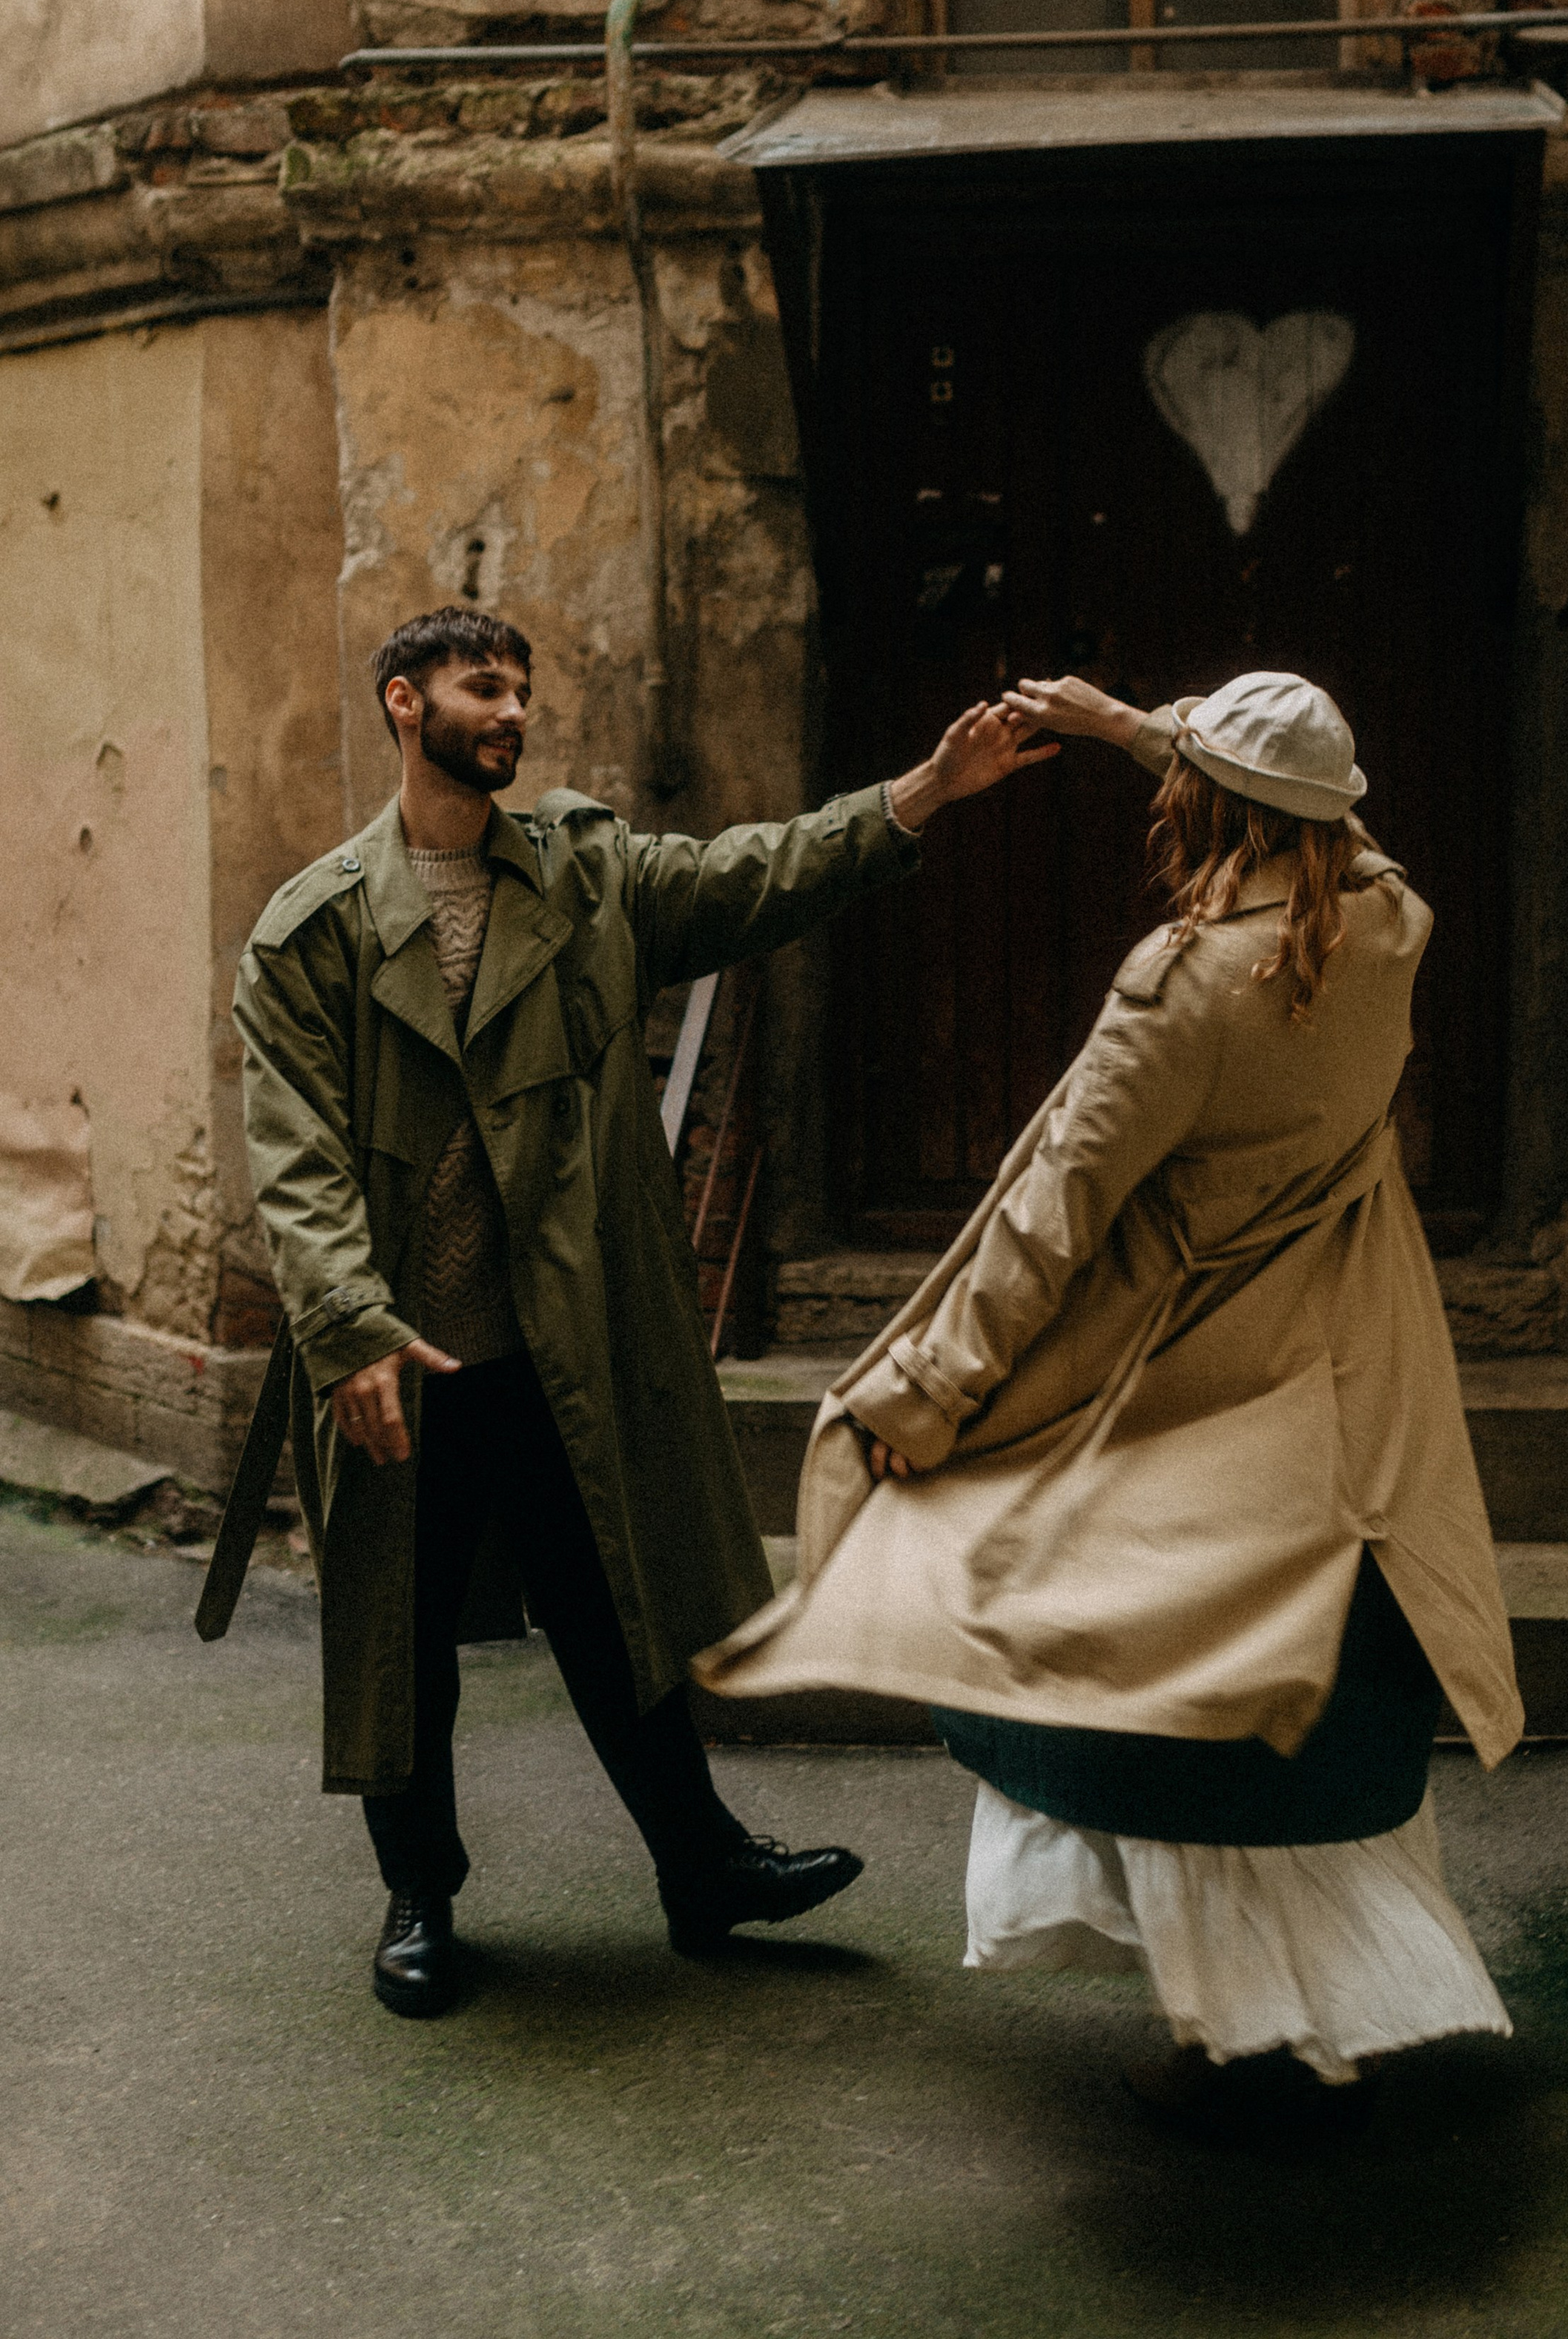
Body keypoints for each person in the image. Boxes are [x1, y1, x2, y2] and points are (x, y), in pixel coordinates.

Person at [197, 605, 1053, 2018]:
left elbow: (754, 877)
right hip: (402, 1363)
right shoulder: (313, 936)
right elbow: (298, 1155)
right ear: (405, 704)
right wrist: (347, 1327)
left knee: (613, 1606)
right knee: (397, 1645)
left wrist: (922, 796)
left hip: (559, 1341)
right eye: (485, 686)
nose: (514, 710)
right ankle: (420, 1895)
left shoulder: (587, 876)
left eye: (524, 688)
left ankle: (702, 1868)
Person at [698, 669, 1523, 2134]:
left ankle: (1230, 2042)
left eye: (1174, 777)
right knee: (1283, 1691)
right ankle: (1301, 2015)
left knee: (1139, 1678)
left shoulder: (1186, 984)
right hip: (1331, 1365)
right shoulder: (1386, 929)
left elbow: (1045, 1222)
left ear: (1203, 806)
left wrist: (928, 1391)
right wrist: (1133, 727)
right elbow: (1352, 837)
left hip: (1187, 1368)